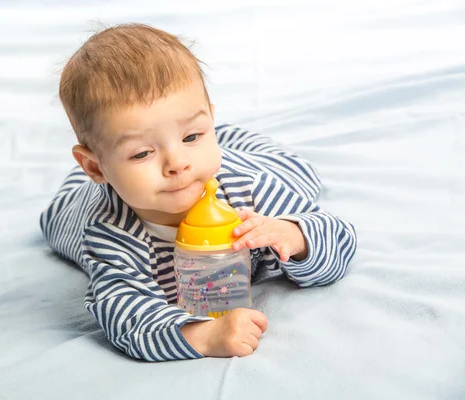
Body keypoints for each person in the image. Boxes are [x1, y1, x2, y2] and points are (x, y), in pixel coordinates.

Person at [40, 23, 357, 362]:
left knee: (297, 173)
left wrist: (294, 236)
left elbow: (339, 239)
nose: (177, 163)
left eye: (192, 136)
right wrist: (201, 336)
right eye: (142, 153)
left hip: (238, 163)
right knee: (57, 217)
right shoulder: (111, 234)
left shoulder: (247, 190)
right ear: (96, 168)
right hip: (76, 204)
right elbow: (125, 314)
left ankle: (216, 136)